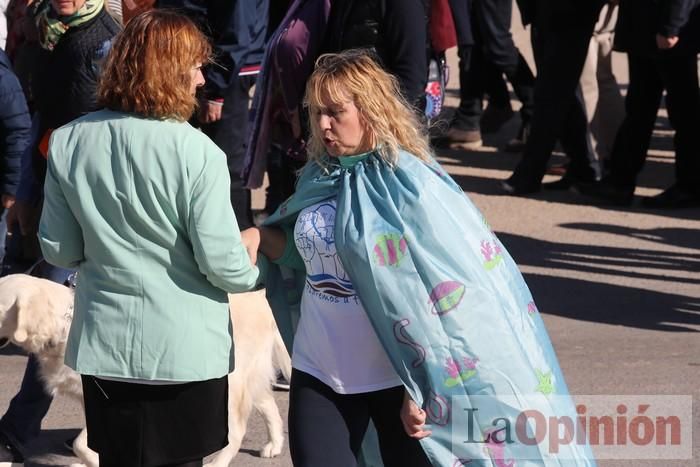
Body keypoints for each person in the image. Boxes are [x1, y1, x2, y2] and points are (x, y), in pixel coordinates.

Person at [244, 50, 597, 466]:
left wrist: (428, 391)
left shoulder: (413, 186)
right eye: (317, 112)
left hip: (396, 382)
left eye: (336, 112)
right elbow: (315, 258)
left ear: (371, 109)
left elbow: (458, 302)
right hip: (318, 371)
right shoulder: (321, 175)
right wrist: (262, 238)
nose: (322, 124)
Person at [37, 10, 260, 467]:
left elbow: (58, 249)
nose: (201, 79)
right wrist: (254, 260)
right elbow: (223, 265)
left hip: (107, 347)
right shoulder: (199, 153)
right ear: (169, 72)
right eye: (195, 66)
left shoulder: (68, 141)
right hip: (186, 350)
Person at [0, 0, 119, 463]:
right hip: (55, 185)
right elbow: (39, 119)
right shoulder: (47, 30)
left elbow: (103, 125)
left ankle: (23, 427)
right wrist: (25, 192)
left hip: (88, 200)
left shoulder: (103, 36)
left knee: (49, 322)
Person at [158, 0, 269, 230]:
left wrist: (217, 92)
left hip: (226, 75)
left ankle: (238, 240)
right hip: (192, 68)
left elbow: (237, 31)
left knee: (227, 165)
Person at [580, 0, 700, 208]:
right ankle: (620, 181)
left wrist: (672, 26)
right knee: (639, 110)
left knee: (684, 114)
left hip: (668, 32)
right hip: (646, 32)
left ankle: (689, 186)